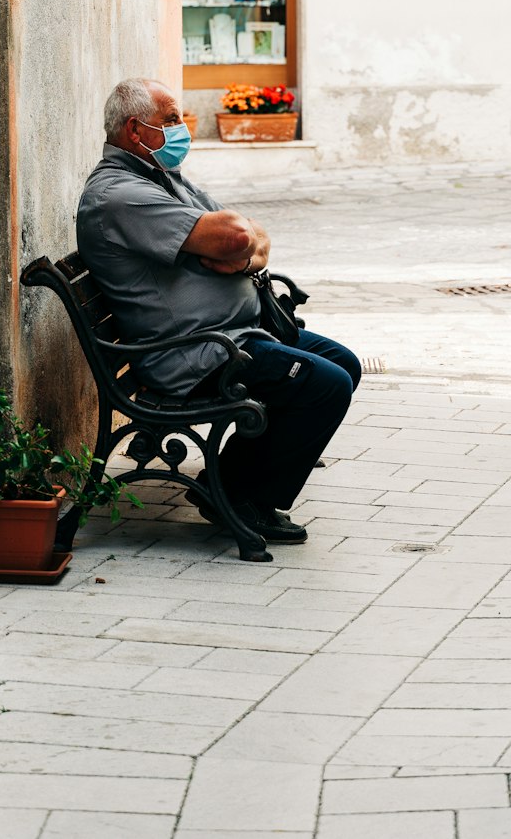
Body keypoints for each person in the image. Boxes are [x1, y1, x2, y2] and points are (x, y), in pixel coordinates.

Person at [76, 77, 361, 544]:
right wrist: (239, 245)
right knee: (325, 385)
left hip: (236, 335)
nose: (181, 128)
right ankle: (241, 497)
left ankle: (224, 483)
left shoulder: (161, 177)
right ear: (134, 129)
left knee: (343, 363)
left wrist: (245, 255)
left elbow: (251, 234)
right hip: (192, 354)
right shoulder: (121, 196)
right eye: (170, 120)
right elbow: (234, 234)